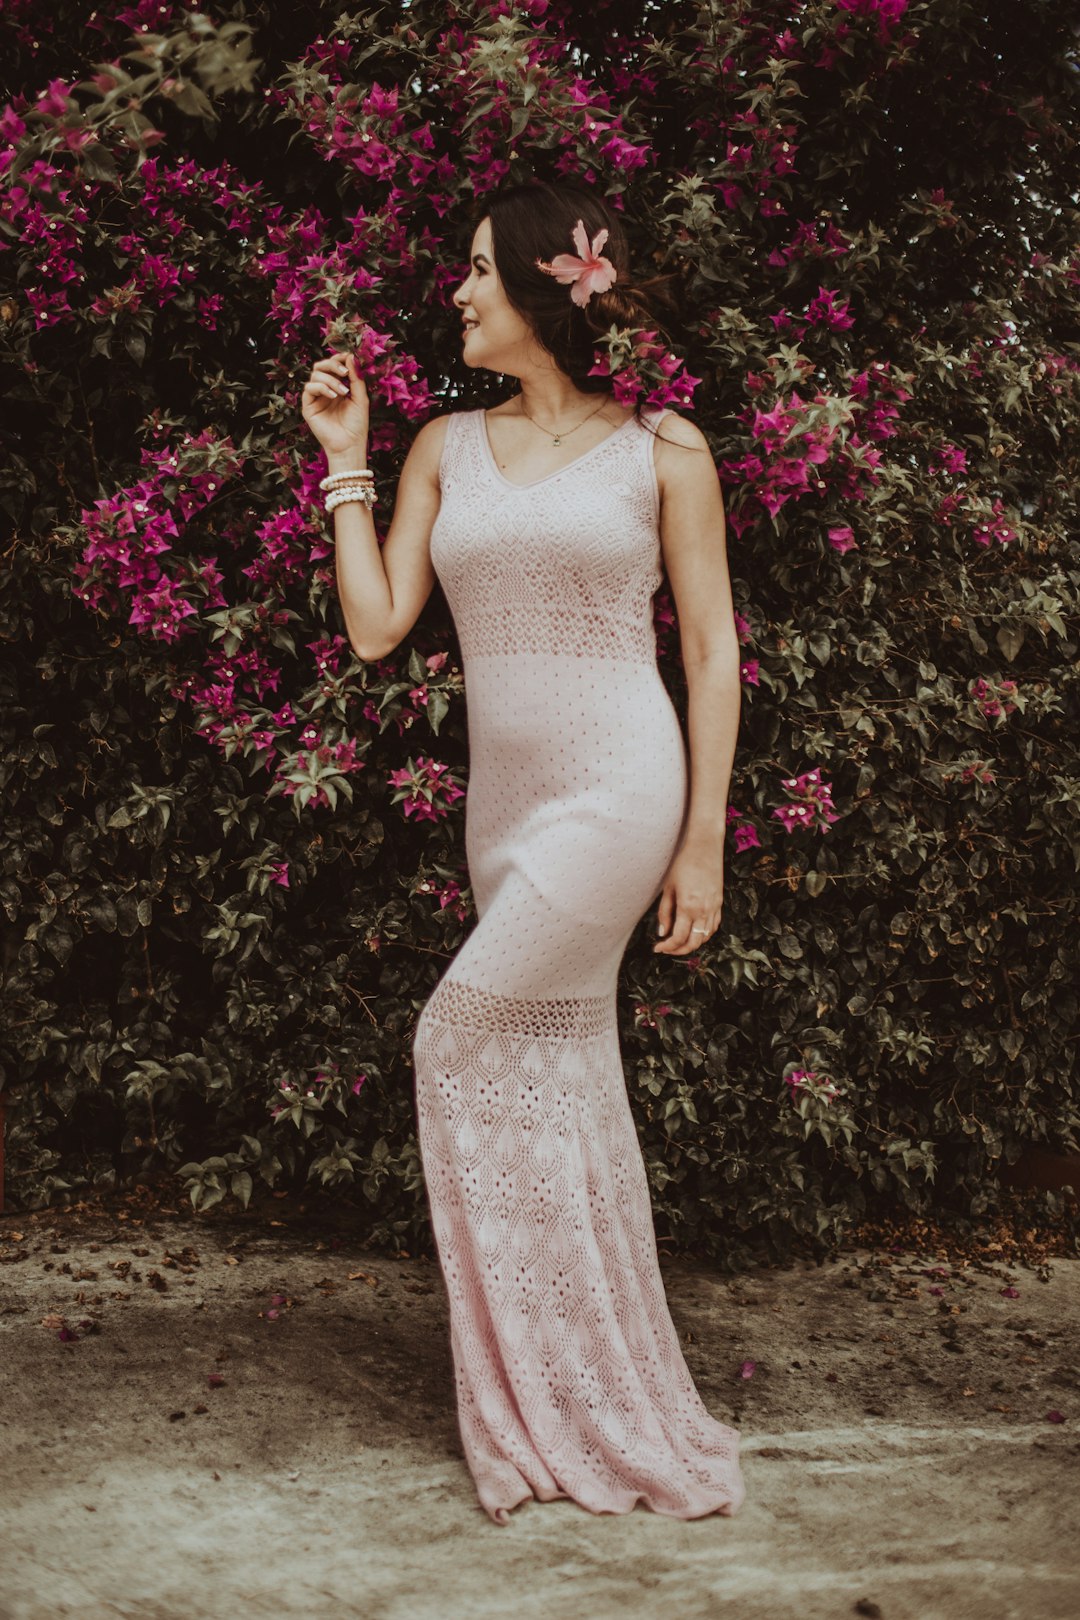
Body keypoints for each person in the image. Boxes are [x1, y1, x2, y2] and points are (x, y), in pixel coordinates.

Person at [301, 179, 746, 1525]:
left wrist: (705, 839)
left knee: (455, 1040)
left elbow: (715, 650)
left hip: (619, 793)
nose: (457, 292)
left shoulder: (663, 449)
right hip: (507, 812)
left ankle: (544, 1396)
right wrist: (344, 456)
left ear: (550, 289)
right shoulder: (441, 443)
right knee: (562, 1086)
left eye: (478, 273)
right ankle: (585, 1390)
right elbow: (380, 625)